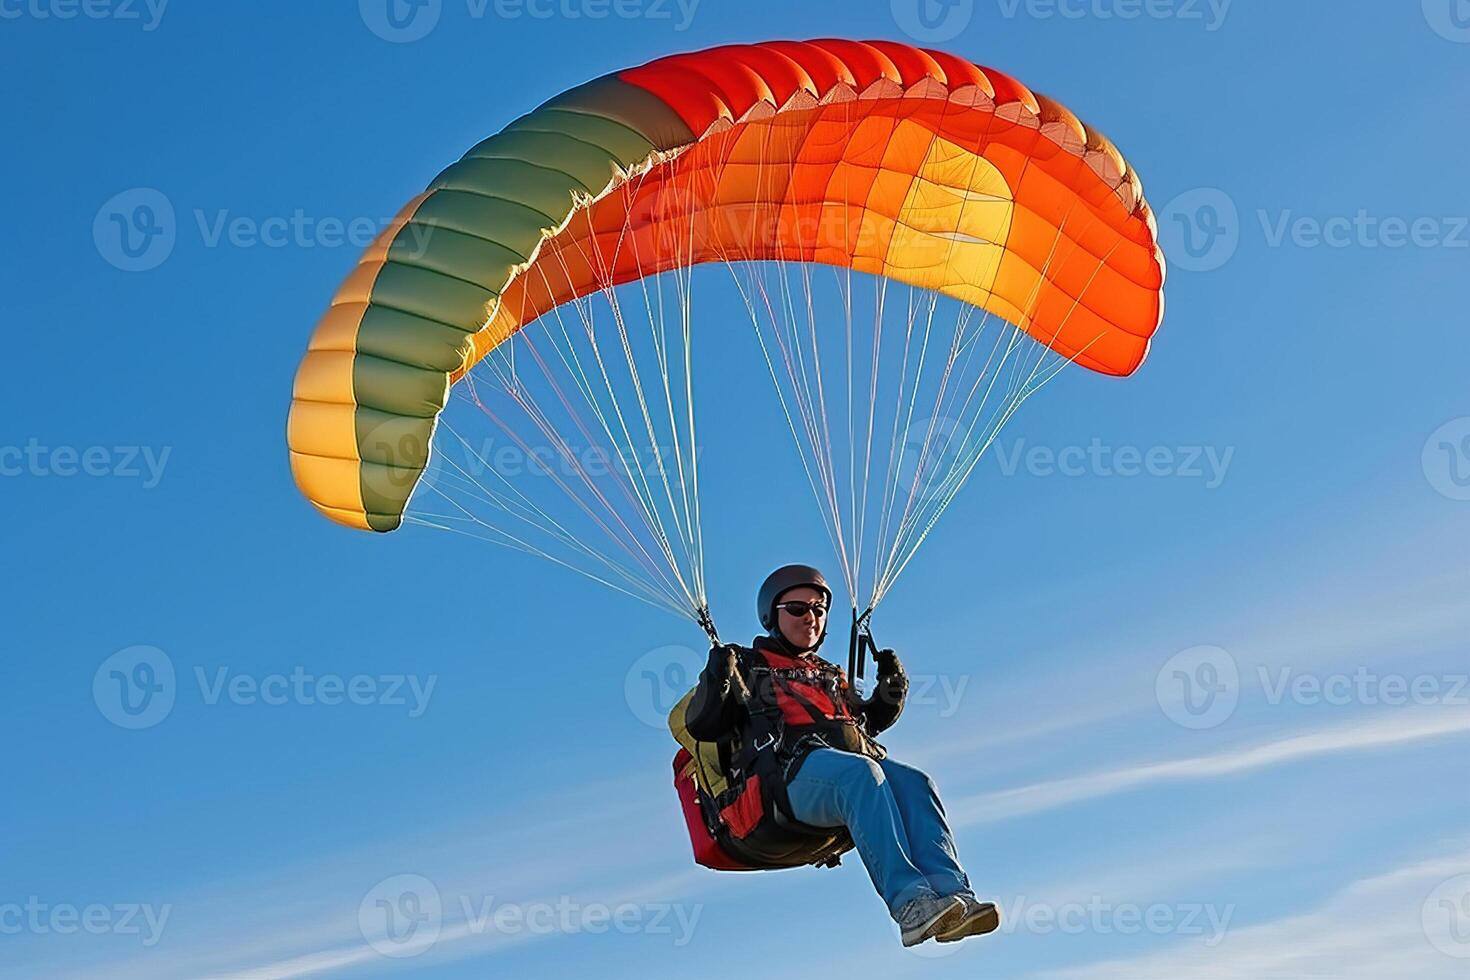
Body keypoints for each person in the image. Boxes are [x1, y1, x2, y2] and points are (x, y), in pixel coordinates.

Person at [684, 564, 1000, 947]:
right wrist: (718, 676)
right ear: (772, 616)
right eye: (798, 609)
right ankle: (912, 906)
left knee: (917, 782)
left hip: (840, 770)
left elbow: (861, 727)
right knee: (862, 774)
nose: (811, 618)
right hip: (784, 783)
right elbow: (705, 725)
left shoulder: (828, 674)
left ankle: (954, 897)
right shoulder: (747, 665)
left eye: (818, 609)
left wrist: (890, 691)